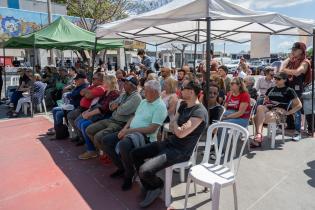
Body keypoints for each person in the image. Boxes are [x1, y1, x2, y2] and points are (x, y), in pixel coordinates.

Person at [131, 81, 208, 208]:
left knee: (144, 170)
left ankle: (157, 185)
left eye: (183, 88)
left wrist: (176, 126)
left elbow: (180, 133)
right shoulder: (184, 105)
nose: (180, 90)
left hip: (181, 151)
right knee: (135, 154)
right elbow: (174, 125)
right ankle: (150, 186)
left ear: (191, 92)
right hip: (170, 143)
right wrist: (176, 126)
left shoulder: (199, 112)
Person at [100, 80, 167, 191]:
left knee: (124, 144)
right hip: (131, 132)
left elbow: (151, 129)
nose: (144, 93)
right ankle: (122, 168)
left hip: (146, 138)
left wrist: (129, 132)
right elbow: (133, 117)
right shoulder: (144, 102)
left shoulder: (160, 106)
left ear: (154, 92)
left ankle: (129, 174)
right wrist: (125, 129)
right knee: (106, 140)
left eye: (146, 91)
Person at [85, 76, 142, 150]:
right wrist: (116, 106)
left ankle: (105, 154)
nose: (123, 84)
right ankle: (101, 150)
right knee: (89, 129)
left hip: (120, 123)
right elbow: (110, 105)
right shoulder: (124, 94)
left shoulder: (136, 97)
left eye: (126, 83)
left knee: (98, 137)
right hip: (112, 119)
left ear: (131, 86)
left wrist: (117, 106)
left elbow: (122, 110)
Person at [252, 72, 302, 147]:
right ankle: (259, 135)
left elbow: (299, 105)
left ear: (285, 80)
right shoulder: (271, 89)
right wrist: (267, 102)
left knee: (256, 117)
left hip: (280, 112)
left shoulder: (289, 90)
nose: (276, 80)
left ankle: (258, 138)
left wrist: (289, 112)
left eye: (278, 79)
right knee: (259, 107)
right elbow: (265, 101)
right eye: (275, 78)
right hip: (269, 109)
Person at [77, 75, 120, 159]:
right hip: (100, 114)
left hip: (107, 116)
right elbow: (98, 105)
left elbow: (104, 109)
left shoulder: (114, 93)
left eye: (105, 81)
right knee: (80, 123)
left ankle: (92, 150)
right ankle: (93, 147)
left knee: (84, 125)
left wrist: (89, 114)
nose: (103, 82)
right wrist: (88, 111)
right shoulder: (106, 92)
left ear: (109, 82)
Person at [281, 42, 311, 138]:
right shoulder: (292, 60)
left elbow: (297, 72)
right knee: (287, 107)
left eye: (295, 50)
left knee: (296, 109)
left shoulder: (305, 62)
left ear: (301, 51)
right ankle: (291, 126)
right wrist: (287, 61)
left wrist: (285, 69)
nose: (292, 51)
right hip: (290, 87)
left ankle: (298, 131)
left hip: (299, 89)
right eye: (292, 49)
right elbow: (280, 70)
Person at [67, 72, 106, 145]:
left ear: (100, 80)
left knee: (75, 120)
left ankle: (82, 138)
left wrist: (87, 92)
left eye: (94, 79)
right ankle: (80, 136)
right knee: (70, 116)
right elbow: (82, 92)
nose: (92, 80)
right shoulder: (93, 86)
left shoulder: (100, 88)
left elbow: (88, 96)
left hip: (88, 109)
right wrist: (88, 91)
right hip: (83, 108)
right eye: (92, 78)